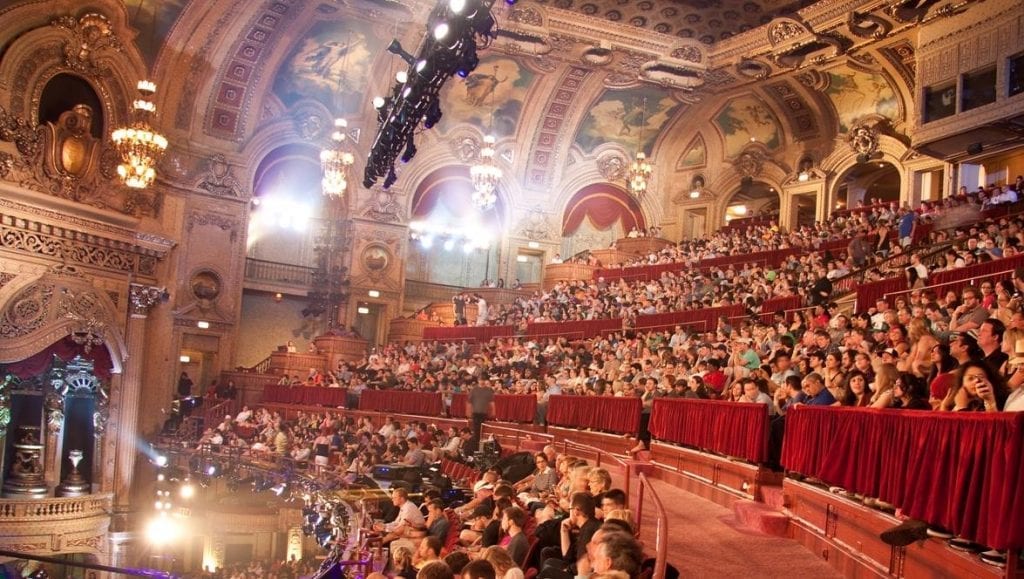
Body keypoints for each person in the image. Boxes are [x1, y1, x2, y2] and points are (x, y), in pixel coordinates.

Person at [467, 377, 495, 453]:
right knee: (477, 430)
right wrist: (469, 412)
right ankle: (476, 447)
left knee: (480, 430)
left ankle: (478, 447)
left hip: (483, 413)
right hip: (476, 413)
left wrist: (493, 411)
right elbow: (469, 402)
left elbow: (491, 402)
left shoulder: (488, 390)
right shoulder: (474, 390)